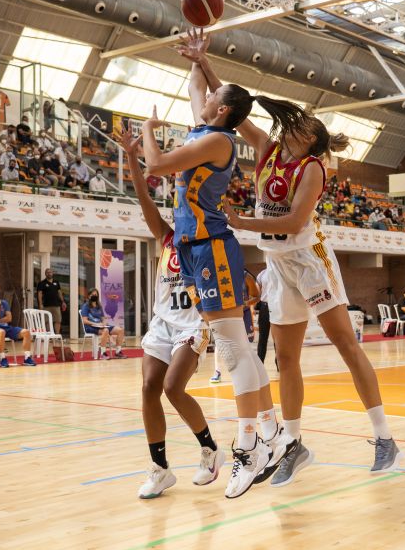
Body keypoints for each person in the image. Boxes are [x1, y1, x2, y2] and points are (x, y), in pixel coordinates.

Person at [184, 31, 399, 488]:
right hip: (278, 265)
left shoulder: (314, 168)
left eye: (303, 125)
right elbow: (232, 107)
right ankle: (296, 443)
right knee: (286, 358)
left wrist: (241, 221)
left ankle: (384, 437)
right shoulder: (266, 149)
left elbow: (294, 221)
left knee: (346, 344)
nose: (292, 126)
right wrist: (203, 62)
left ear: (312, 139)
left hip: (309, 259)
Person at [135, 29, 289, 500]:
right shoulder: (207, 128)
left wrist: (144, 131)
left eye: (213, 99)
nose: (203, 99)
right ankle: (272, 431)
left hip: (212, 247)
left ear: (222, 111)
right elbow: (196, 89)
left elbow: (156, 163)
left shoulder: (218, 141)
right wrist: (199, 59)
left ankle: (248, 448)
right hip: (196, 247)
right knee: (236, 346)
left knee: (234, 349)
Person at [117, 126, 222, 498]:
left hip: (194, 323)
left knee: (173, 386)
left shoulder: (208, 240)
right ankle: (160, 469)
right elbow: (144, 196)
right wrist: (132, 156)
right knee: (148, 388)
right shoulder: (166, 237)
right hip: (163, 321)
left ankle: (209, 448)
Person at [0, 281, 35, 368]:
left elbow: (9, 318)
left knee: (26, 332)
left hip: (6, 327)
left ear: (0, 290)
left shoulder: (5, 302)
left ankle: (27, 358)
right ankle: (3, 359)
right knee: (1, 332)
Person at [80, 290, 126, 359]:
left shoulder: (99, 306)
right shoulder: (86, 306)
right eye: (92, 294)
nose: (94, 296)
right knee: (106, 330)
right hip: (90, 327)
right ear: (89, 296)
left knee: (120, 330)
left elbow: (103, 318)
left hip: (101, 326)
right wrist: (96, 323)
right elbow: (85, 321)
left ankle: (118, 352)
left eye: (96, 295)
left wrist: (104, 323)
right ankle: (102, 353)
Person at [36, 268, 66, 334]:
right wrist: (40, 304)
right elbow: (39, 294)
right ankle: (49, 336)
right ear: (45, 274)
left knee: (58, 320)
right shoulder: (41, 283)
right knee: (47, 321)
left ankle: (57, 335)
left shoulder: (56, 282)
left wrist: (63, 302)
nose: (49, 273)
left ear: (52, 273)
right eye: (47, 272)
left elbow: (59, 292)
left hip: (56, 305)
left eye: (50, 272)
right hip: (46, 305)